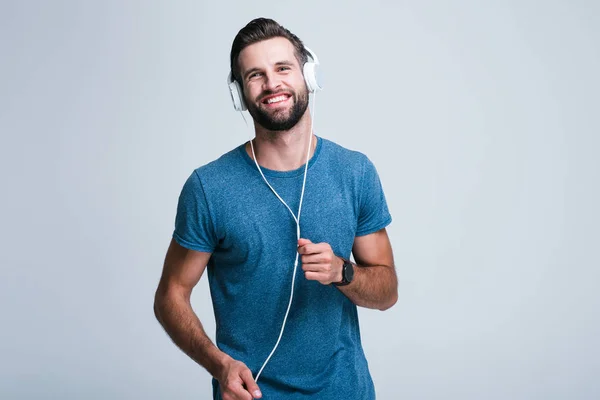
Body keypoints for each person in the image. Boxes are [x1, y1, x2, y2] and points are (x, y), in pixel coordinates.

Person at [154, 17, 398, 400]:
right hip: (251, 394)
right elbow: (170, 295)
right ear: (239, 94)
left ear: (308, 75)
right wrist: (219, 365)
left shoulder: (355, 172)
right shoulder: (208, 187)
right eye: (255, 75)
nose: (272, 84)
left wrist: (342, 271)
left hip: (345, 391)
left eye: (282, 68)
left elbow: (387, 292)